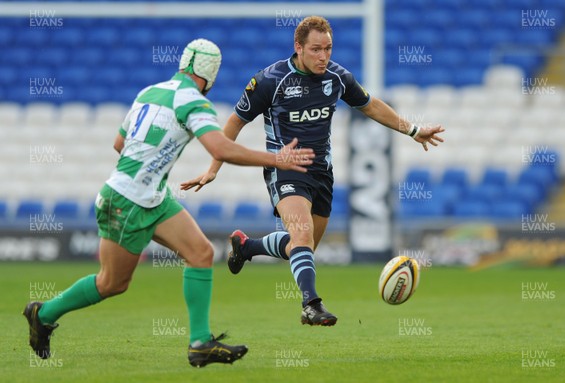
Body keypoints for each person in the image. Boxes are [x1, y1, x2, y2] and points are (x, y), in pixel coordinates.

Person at [23, 38, 314, 368]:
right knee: (112, 283)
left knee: (201, 253)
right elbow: (220, 149)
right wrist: (277, 159)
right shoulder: (194, 102)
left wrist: (150, 167)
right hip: (127, 201)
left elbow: (119, 143)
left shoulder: (150, 92)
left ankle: (200, 343)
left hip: (149, 196)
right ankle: (42, 313)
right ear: (211, 73)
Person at [182, 16, 445, 326]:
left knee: (300, 246)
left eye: (329, 49)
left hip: (322, 174)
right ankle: (312, 305)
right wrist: (214, 167)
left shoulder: (337, 77)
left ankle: (247, 246)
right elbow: (235, 122)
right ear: (299, 48)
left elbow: (371, 105)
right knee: (302, 234)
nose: (324, 56)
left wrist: (413, 130)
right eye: (317, 49)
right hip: (286, 169)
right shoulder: (270, 80)